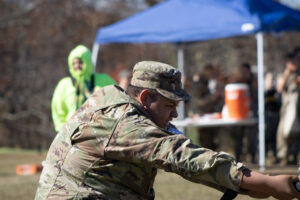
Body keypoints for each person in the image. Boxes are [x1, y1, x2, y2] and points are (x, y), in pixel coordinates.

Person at [36, 61, 300, 200]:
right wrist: (266, 183)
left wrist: (253, 184)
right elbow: (179, 155)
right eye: (169, 104)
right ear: (145, 98)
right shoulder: (122, 123)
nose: (175, 113)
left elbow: (188, 157)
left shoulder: (140, 116)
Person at [51, 44, 116, 132]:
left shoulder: (103, 80)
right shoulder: (65, 84)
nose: (77, 66)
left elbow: (117, 98)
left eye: (80, 62)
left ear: (88, 62)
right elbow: (57, 109)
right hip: (71, 131)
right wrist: (62, 130)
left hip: (99, 130)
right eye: (74, 63)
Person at [277, 48, 300, 165]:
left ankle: (295, 155)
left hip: (297, 109)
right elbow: (280, 88)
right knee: (283, 133)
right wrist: (287, 73)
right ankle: (283, 156)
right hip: (285, 110)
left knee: (296, 133)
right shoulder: (283, 75)